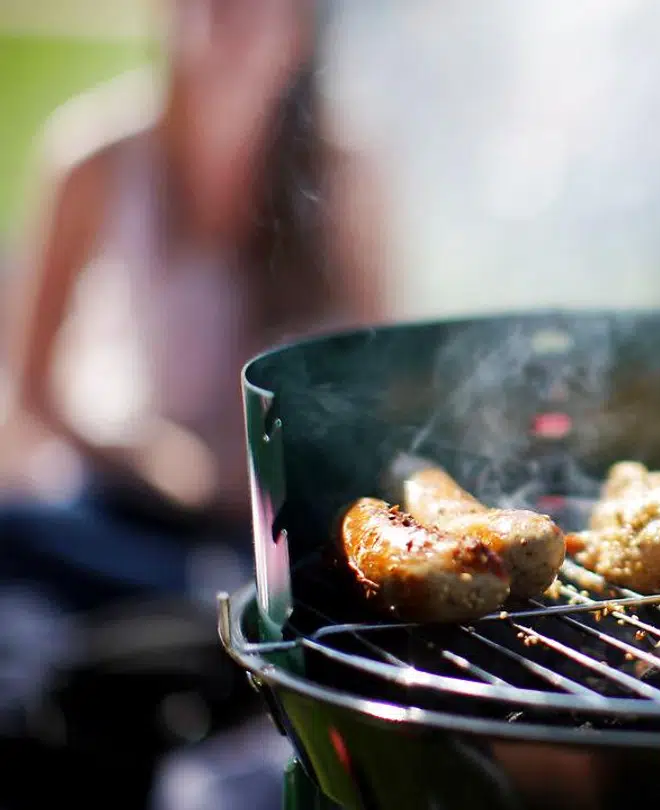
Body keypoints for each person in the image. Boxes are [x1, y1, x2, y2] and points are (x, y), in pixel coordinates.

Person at [0, 0, 386, 805]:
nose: (231, 23)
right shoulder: (96, 157)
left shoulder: (346, 174)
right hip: (127, 505)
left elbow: (376, 391)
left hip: (272, 522)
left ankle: (212, 631)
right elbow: (30, 396)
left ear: (300, 31)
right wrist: (149, 458)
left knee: (283, 589)